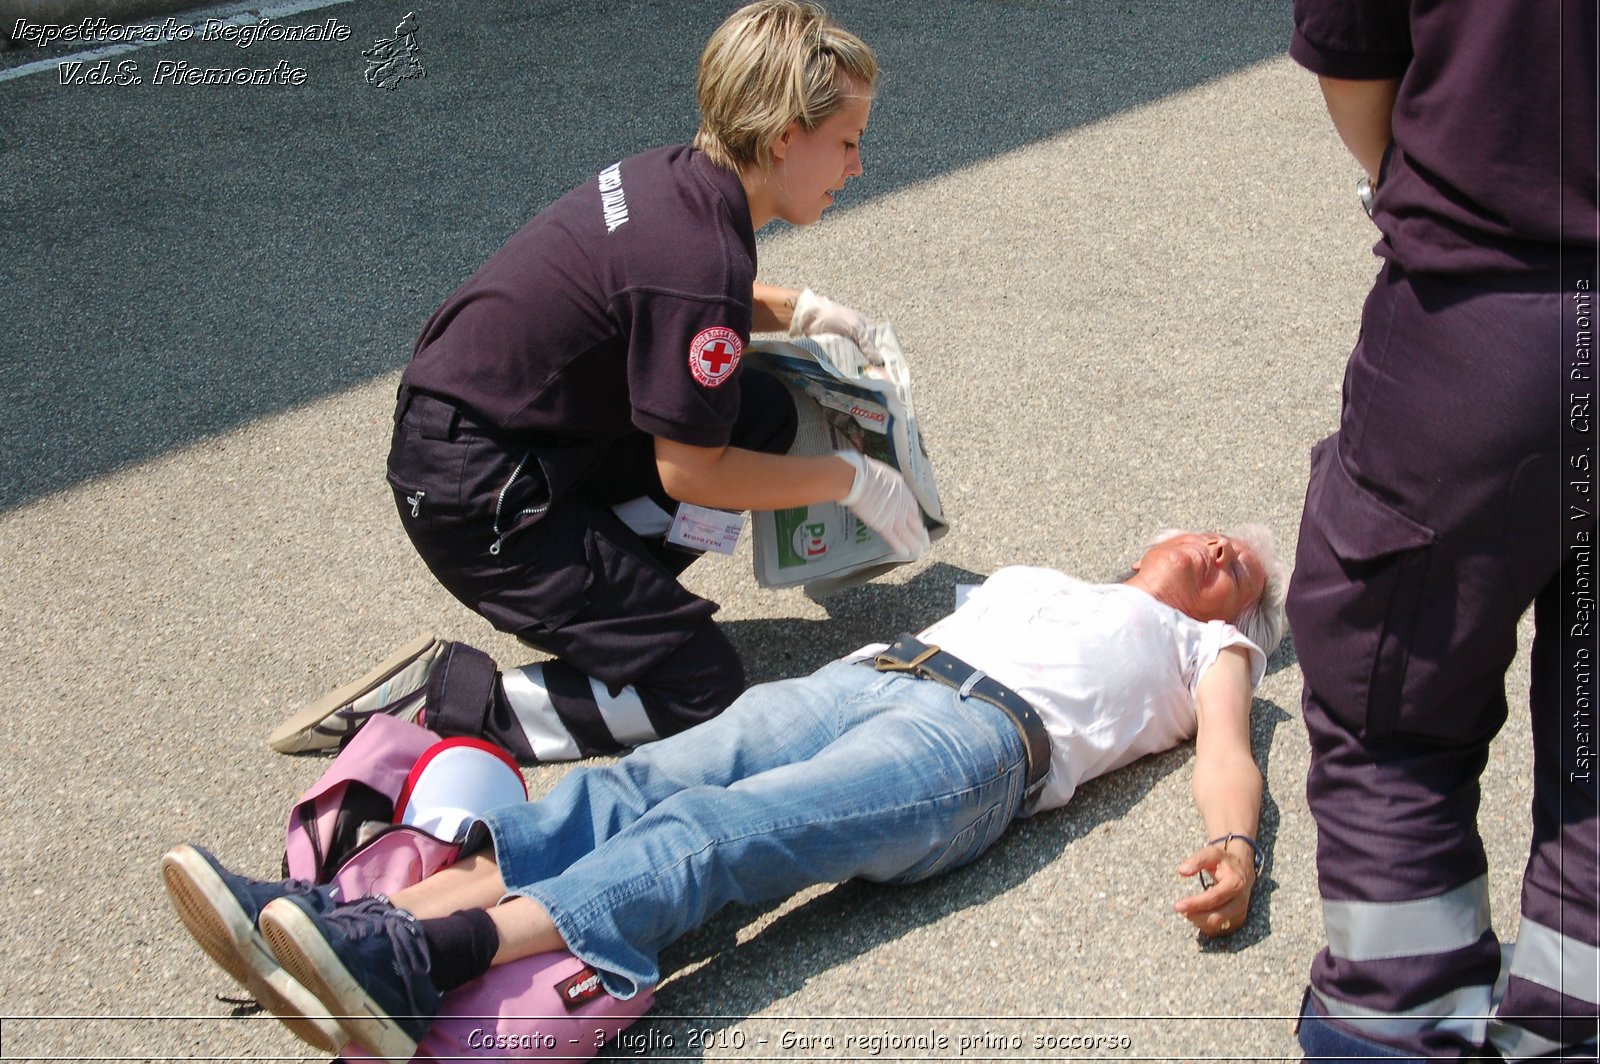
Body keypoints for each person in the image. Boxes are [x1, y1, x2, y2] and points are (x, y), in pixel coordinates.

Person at [166, 526, 1288, 1064]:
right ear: (1150, 538)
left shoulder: (1205, 648)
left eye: (1241, 567)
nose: (1221, 550)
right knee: (639, 782)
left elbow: (1225, 753)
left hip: (980, 743)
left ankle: (430, 955)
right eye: (1212, 534)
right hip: (870, 674)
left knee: (717, 831)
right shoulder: (1045, 578)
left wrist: (1234, 841)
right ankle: (342, 928)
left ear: (1238, 613)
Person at [268, 0, 930, 765]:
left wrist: (805, 311)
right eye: (847, 142)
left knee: (757, 410)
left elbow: (668, 300)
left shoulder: (677, 179)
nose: (857, 166)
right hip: (478, 496)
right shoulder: (703, 263)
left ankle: (622, 606)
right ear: (785, 137)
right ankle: (436, 703)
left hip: (490, 439)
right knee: (701, 687)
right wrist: (850, 479)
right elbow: (691, 465)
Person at [1284, 3, 1599, 1060]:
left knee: (1392, 700)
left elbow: (1354, 62)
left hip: (1483, 313)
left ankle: (1397, 1020)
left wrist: (1429, 191)